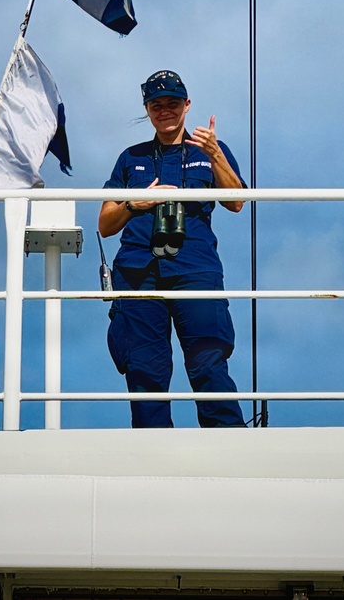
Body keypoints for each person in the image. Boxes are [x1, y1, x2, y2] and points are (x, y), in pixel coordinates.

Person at [99, 69, 246, 428]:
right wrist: (135, 203)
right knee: (144, 368)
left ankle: (229, 443)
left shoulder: (211, 152)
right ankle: (153, 448)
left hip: (195, 269)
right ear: (147, 110)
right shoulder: (130, 157)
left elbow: (237, 201)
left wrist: (215, 155)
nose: (165, 110)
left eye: (173, 103)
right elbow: (105, 223)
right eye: (157, 105)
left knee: (208, 362)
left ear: (187, 105)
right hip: (138, 272)